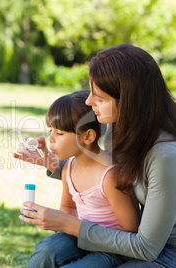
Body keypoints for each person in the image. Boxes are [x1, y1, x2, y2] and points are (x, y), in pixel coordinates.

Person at [14, 44, 176, 267]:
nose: (89, 102)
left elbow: (146, 247)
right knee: (49, 251)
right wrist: (48, 161)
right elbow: (97, 170)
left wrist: (69, 224)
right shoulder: (118, 130)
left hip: (165, 250)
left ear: (128, 100)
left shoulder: (165, 156)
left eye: (99, 97)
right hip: (129, 240)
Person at [32, 90, 139, 267]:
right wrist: (58, 222)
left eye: (60, 133)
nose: (50, 138)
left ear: (88, 136)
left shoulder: (110, 176)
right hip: (81, 237)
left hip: (112, 249)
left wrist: (75, 227)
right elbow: (67, 206)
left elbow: (130, 230)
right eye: (51, 130)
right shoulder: (68, 168)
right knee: (47, 249)